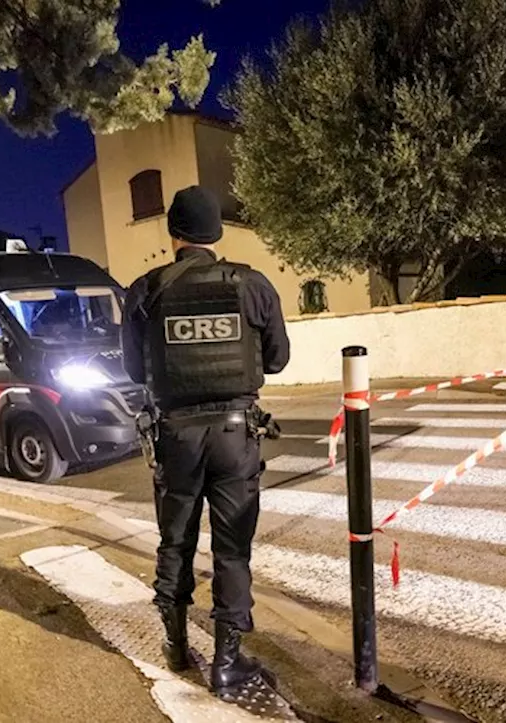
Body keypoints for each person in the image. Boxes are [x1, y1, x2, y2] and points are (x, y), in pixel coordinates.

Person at [120, 185, 291, 698]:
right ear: (216, 233)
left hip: (175, 435)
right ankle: (226, 663)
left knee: (175, 539)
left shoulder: (145, 290)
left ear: (173, 233)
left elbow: (134, 369)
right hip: (236, 435)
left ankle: (175, 648)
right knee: (232, 551)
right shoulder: (251, 285)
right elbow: (278, 358)